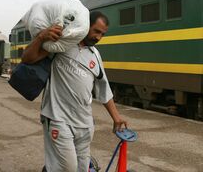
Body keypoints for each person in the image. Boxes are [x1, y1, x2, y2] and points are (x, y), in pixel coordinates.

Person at [22, 11, 127, 172]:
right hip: (58, 118)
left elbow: (103, 89)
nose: (98, 37)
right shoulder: (62, 44)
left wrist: (116, 118)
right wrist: (42, 37)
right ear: (85, 25)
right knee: (68, 168)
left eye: (102, 34)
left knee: (82, 169)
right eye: (96, 31)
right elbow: (27, 58)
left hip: (84, 124)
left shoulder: (95, 56)